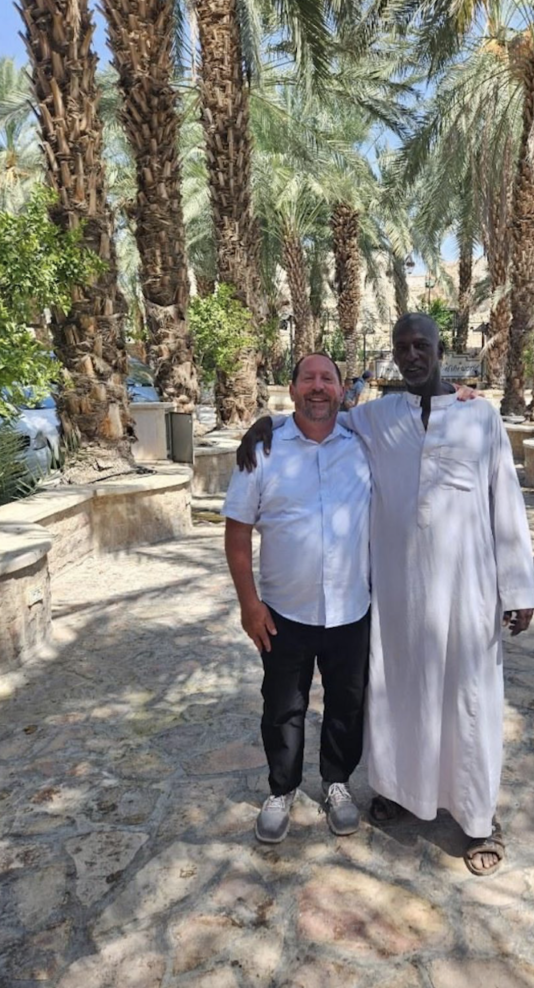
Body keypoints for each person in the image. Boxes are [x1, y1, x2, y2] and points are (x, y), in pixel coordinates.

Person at [238, 315, 534, 874]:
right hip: (400, 595)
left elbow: (507, 504)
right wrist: (266, 423)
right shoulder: (377, 417)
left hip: (468, 595)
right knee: (399, 693)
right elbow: (318, 414)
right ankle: (402, 791)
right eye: (401, 347)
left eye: (421, 344)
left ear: (441, 348)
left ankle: (477, 820)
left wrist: (518, 588)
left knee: (469, 702)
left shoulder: (480, 417)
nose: (411, 355)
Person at [223, 353, 371, 844]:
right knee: (282, 704)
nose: (317, 387)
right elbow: (238, 531)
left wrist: (461, 398)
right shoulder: (263, 450)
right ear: (291, 390)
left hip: (351, 608)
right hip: (285, 611)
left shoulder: (363, 444)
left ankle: (336, 784)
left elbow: (417, 423)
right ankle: (282, 789)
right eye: (307, 378)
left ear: (342, 390)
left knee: (347, 703)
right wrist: (249, 604)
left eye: (326, 378)